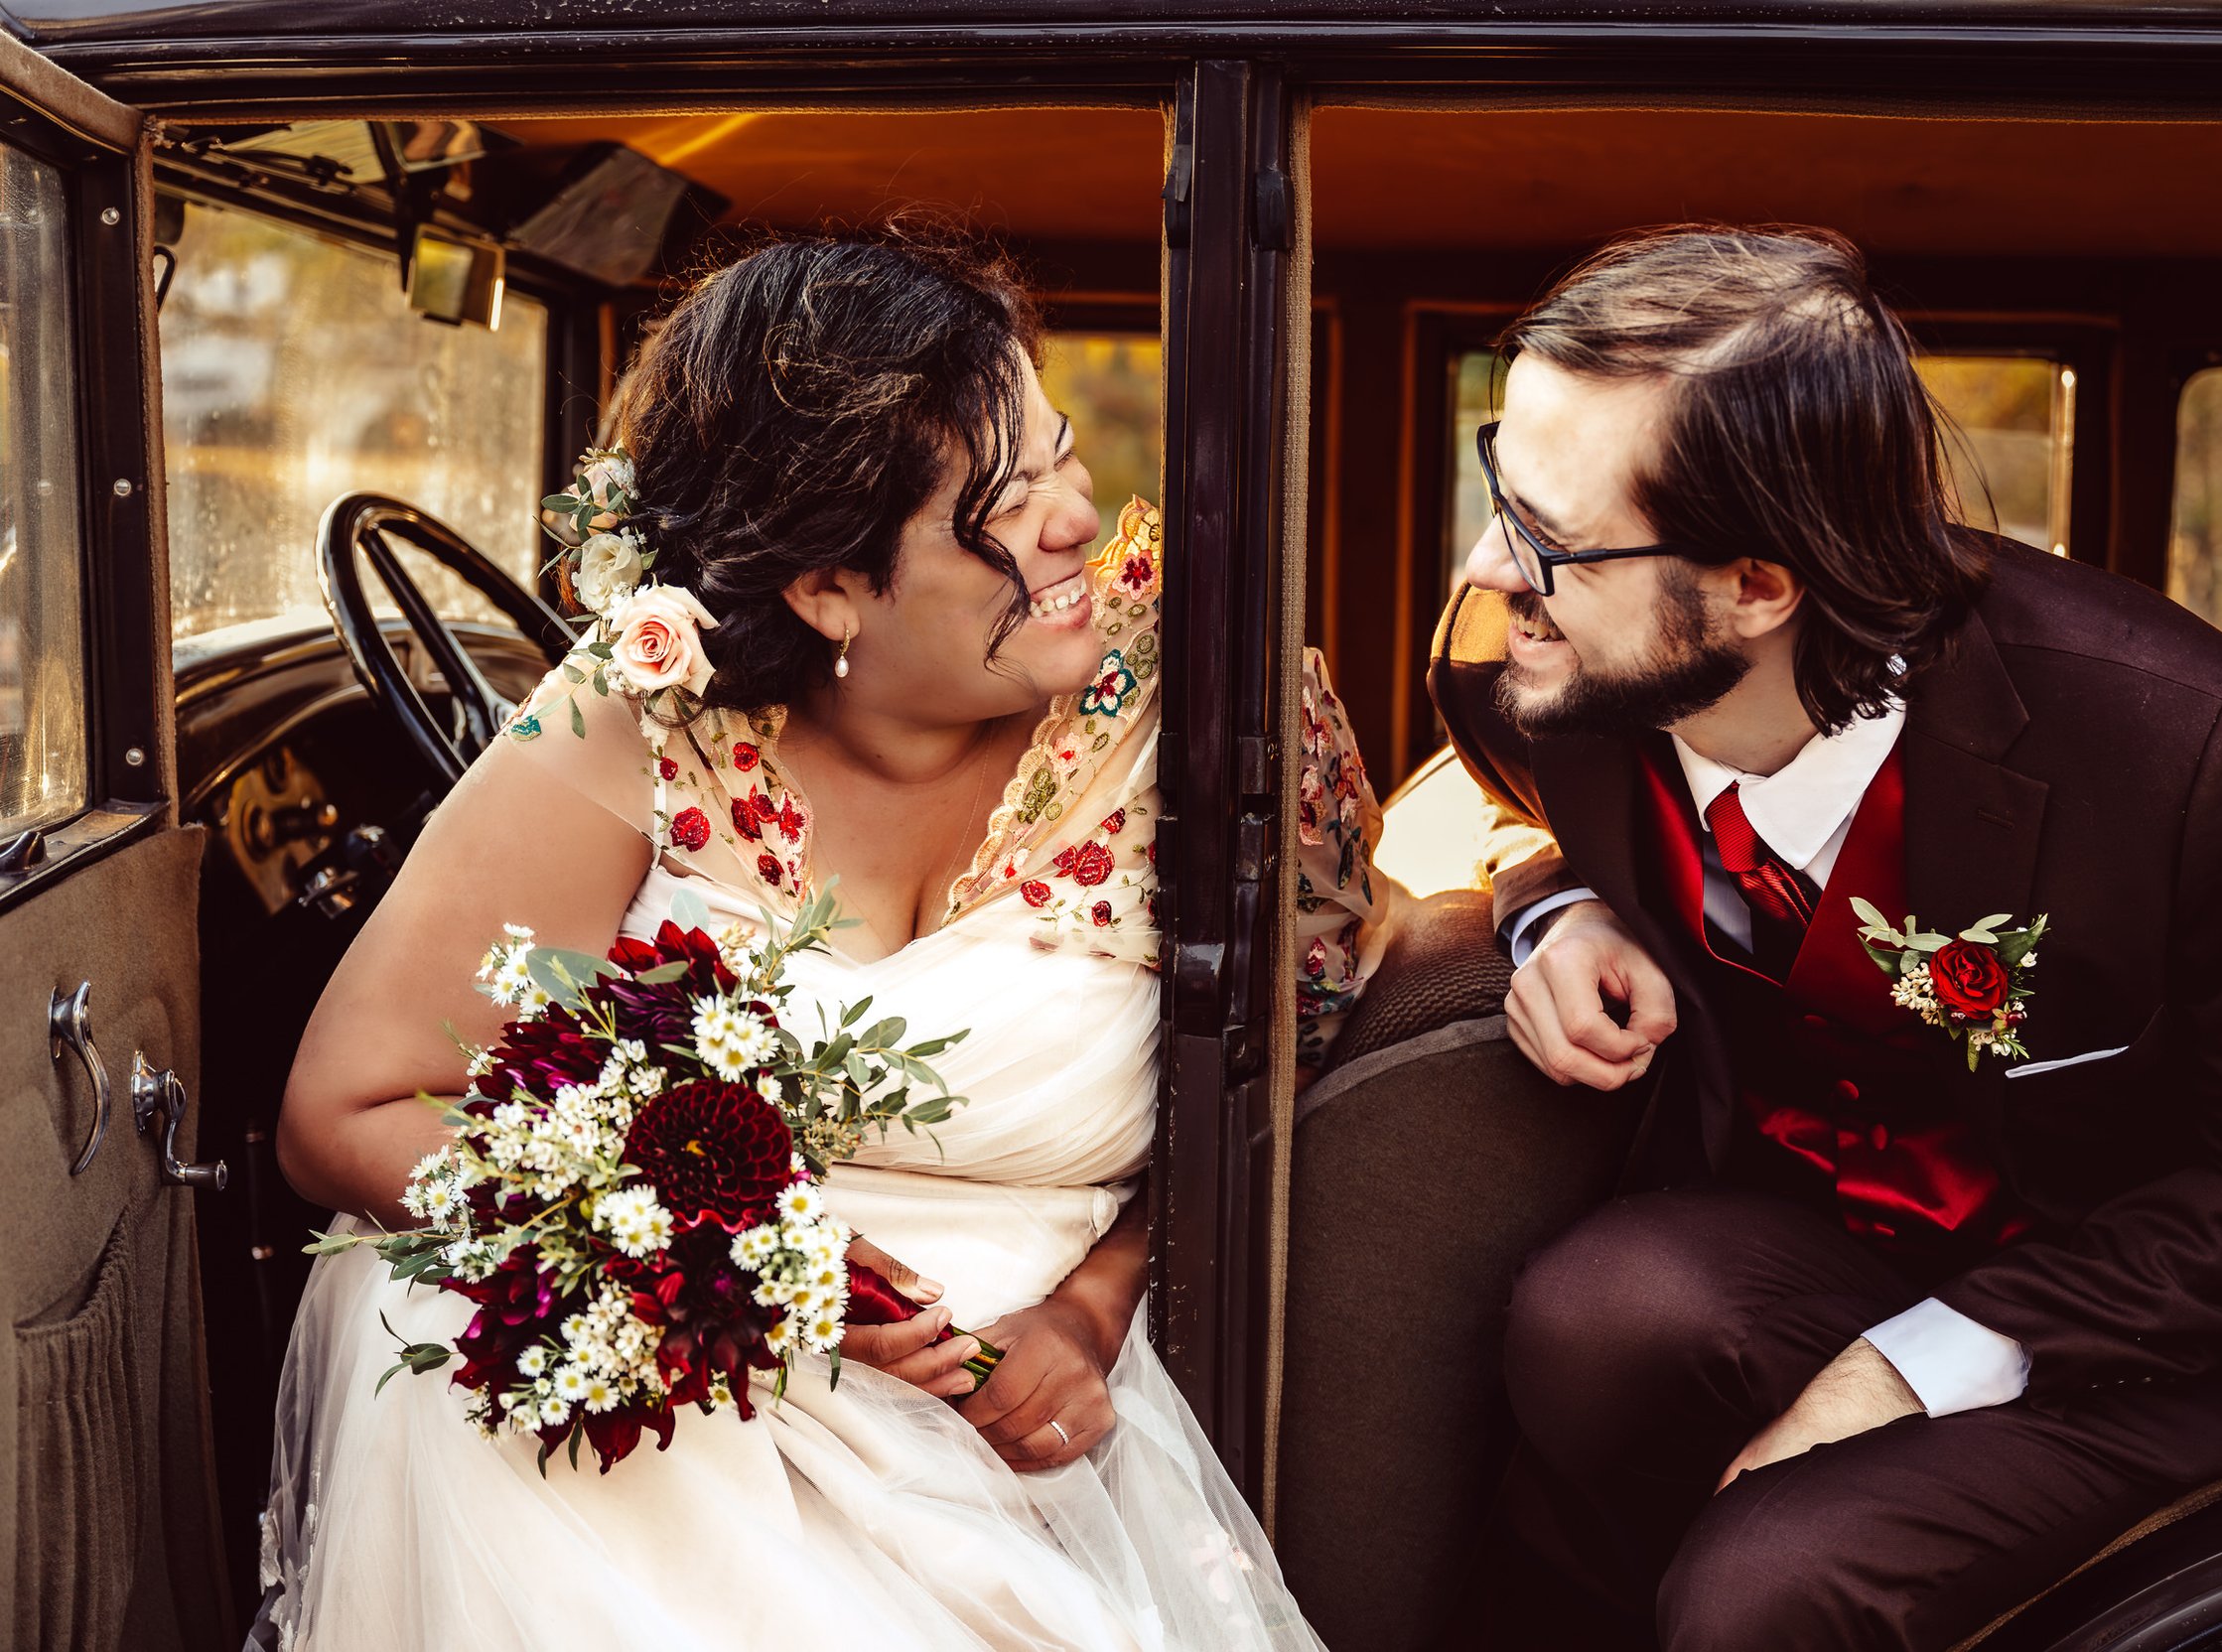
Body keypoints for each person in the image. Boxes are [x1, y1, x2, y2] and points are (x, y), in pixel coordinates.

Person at [257, 231, 1391, 1651]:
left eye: (1055, 457)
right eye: (999, 500)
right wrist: (734, 1269)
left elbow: (1290, 1070)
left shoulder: (1218, 709)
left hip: (993, 1390)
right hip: (657, 1356)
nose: (1071, 522)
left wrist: (1096, 1311)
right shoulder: (640, 706)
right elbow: (350, 1108)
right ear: (826, 589)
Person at [1429, 224, 2222, 1649]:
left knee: (1763, 1594)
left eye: (1550, 540)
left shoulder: (2186, 747)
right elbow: (1466, 798)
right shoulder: (1527, 653)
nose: (1485, 566)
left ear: (1760, 588)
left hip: (2162, 1335)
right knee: (1592, 1317)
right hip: (1836, 1247)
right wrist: (1548, 903)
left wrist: (1913, 1368)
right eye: (1497, 485)